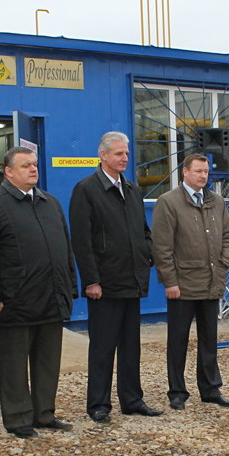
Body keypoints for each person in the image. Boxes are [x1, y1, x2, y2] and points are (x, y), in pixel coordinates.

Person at [0, 147, 77, 437]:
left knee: (47, 361)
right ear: (8, 172)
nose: (33, 169)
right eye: (25, 165)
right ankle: (18, 418)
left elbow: (65, 248)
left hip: (51, 296)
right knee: (14, 363)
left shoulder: (49, 202)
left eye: (34, 164)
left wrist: (70, 286)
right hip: (15, 299)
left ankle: (44, 413)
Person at [68, 132, 162, 423]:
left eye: (127, 153)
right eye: (119, 153)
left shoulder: (132, 190)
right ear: (103, 155)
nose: (125, 158)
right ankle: (98, 404)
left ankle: (132, 400)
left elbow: (143, 230)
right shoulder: (86, 190)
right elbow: (82, 240)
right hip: (105, 284)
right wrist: (91, 280)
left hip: (132, 280)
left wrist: (147, 255)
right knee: (103, 347)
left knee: (131, 346)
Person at [151, 153, 229, 410]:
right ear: (185, 172)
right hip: (183, 284)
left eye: (206, 172)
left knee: (209, 339)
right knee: (178, 340)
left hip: (212, 281)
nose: (203, 176)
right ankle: (177, 392)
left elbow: (228, 236)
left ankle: (210, 388)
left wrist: (224, 261)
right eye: (198, 171)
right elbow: (162, 247)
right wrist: (170, 281)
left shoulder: (216, 201)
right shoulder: (169, 202)